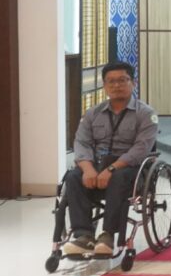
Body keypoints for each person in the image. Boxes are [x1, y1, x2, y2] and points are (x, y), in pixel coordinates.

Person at [64, 62, 159, 256]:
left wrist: (112, 169)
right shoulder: (93, 113)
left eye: (122, 80)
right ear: (105, 85)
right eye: (111, 81)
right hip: (97, 165)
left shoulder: (146, 114)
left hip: (130, 169)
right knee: (73, 177)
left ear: (133, 83)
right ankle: (83, 235)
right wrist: (88, 169)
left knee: (118, 177)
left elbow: (141, 149)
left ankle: (107, 235)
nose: (116, 85)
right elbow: (81, 142)